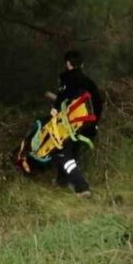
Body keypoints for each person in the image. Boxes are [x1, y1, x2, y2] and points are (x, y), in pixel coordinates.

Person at [45, 50, 104, 198]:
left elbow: (61, 99)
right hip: (87, 125)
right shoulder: (89, 82)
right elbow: (98, 103)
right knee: (72, 151)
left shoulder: (67, 79)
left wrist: (54, 110)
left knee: (63, 155)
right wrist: (94, 124)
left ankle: (82, 187)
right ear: (82, 65)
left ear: (68, 64)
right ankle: (62, 181)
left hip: (70, 125)